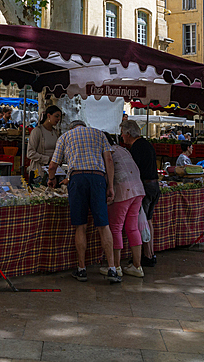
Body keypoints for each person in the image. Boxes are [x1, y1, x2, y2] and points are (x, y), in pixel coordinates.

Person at [46, 120, 121, 284]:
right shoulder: (99, 134)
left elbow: (52, 165)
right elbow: (109, 159)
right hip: (98, 178)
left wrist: (51, 179)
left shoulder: (65, 137)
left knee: (81, 225)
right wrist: (110, 185)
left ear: (72, 127)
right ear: (84, 127)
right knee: (103, 225)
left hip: (77, 178)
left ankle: (81, 269)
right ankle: (112, 268)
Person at [106, 136, 146, 278]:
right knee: (132, 227)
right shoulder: (123, 150)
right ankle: (137, 266)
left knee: (115, 228)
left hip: (122, 190)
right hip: (138, 189)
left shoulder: (107, 151)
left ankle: (116, 266)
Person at [121, 119, 159, 267]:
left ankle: (146, 255)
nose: (122, 137)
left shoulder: (136, 148)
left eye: (123, 134)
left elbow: (132, 170)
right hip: (154, 186)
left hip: (145, 187)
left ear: (129, 134)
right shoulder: (147, 144)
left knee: (141, 222)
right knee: (148, 220)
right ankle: (150, 254)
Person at [27, 106, 61, 185]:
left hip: (53, 171)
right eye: (56, 116)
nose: (58, 119)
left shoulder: (56, 133)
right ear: (48, 116)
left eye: (59, 117)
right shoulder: (37, 131)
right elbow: (30, 153)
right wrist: (47, 159)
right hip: (39, 171)